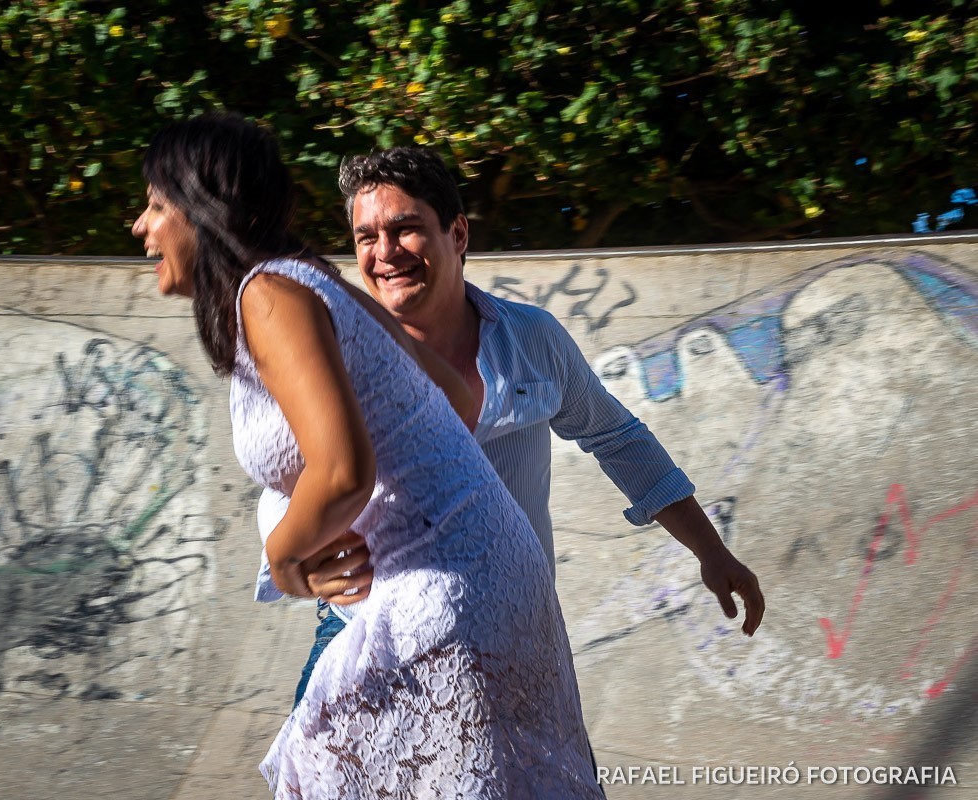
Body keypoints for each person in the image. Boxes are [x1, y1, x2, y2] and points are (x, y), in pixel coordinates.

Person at [133, 112, 606, 797]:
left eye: (155, 206)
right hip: (492, 578)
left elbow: (342, 471)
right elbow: (457, 397)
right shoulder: (312, 281)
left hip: (440, 596)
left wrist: (286, 559)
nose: (141, 228)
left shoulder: (267, 295)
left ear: (202, 209)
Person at [254, 147, 765, 710]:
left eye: (404, 229)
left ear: (458, 234)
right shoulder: (334, 359)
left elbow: (618, 439)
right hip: (370, 636)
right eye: (366, 237)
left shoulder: (531, 339)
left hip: (513, 636)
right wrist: (299, 565)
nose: (385, 252)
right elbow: (284, 479)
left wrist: (711, 552)